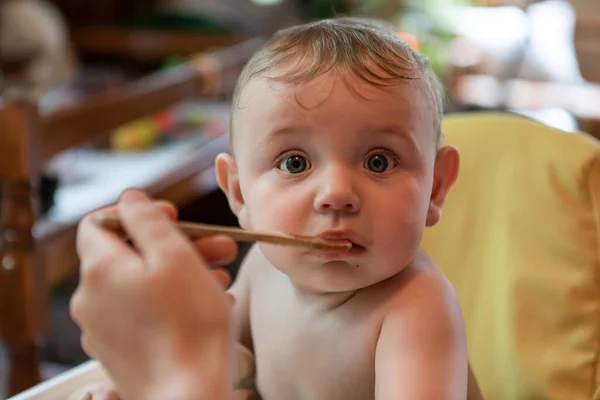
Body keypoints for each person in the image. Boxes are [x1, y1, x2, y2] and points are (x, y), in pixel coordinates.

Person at [71, 16, 470, 399]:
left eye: (378, 161)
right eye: (294, 163)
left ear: (435, 187)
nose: (335, 193)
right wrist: (137, 385)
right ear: (239, 193)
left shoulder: (417, 311)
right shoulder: (263, 266)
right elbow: (215, 368)